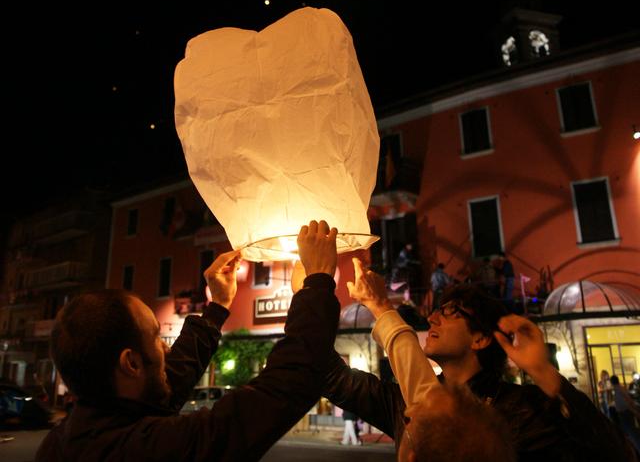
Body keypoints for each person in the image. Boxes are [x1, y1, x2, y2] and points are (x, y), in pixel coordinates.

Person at [36, 220, 341, 462]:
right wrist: (316, 285)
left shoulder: (63, 441)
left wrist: (218, 307)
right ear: (130, 363)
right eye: (156, 337)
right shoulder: (152, 448)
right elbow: (281, 390)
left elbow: (170, 380)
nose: (166, 346)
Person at [322, 258, 636, 461]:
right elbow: (331, 376)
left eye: (449, 313)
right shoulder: (403, 398)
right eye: (437, 310)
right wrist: (314, 289)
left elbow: (617, 454)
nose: (432, 319)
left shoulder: (524, 408)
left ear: (480, 338)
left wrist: (544, 372)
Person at [611, 375, 640, 453]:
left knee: (632, 434)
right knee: (631, 433)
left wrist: (635, 411)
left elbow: (626, 402)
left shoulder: (617, 390)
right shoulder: (621, 388)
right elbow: (628, 400)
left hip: (625, 413)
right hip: (626, 413)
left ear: (612, 382)